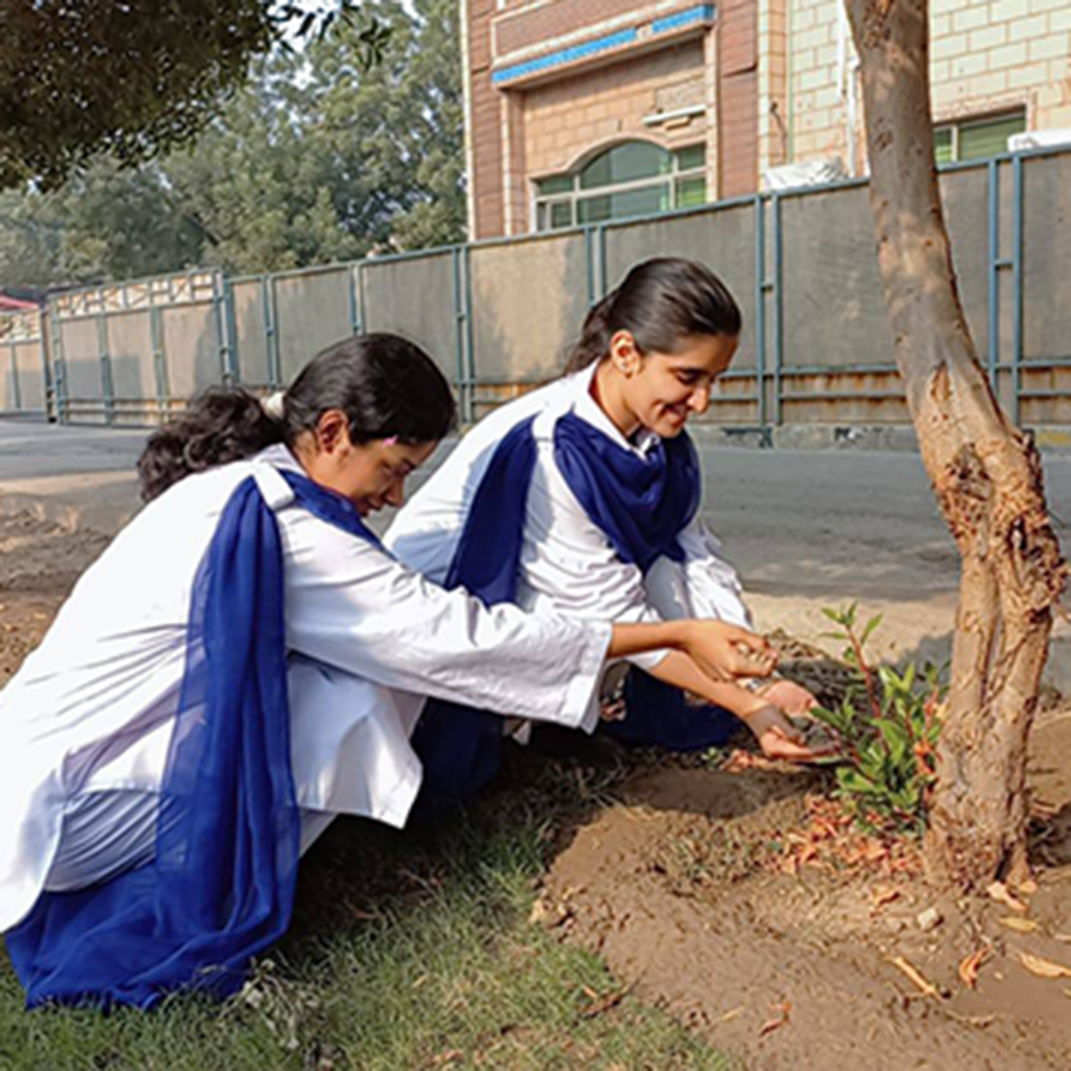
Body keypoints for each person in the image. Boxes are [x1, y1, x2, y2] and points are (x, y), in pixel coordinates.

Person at [0, 333, 774, 1010]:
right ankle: (224, 887)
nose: (396, 496)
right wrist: (668, 633)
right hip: (64, 808)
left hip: (49, 770)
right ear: (332, 431)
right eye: (394, 467)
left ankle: (275, 853)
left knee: (365, 675)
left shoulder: (247, 483)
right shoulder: (285, 522)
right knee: (374, 690)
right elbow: (448, 638)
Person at [386, 258, 824, 802]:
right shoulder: (551, 448)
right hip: (451, 608)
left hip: (560, 596)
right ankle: (516, 728)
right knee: (597, 619)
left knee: (664, 568)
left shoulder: (660, 440)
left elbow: (692, 556)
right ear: (624, 353)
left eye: (714, 379)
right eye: (688, 377)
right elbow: (612, 614)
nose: (703, 401)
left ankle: (553, 724)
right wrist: (750, 707)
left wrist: (760, 681)